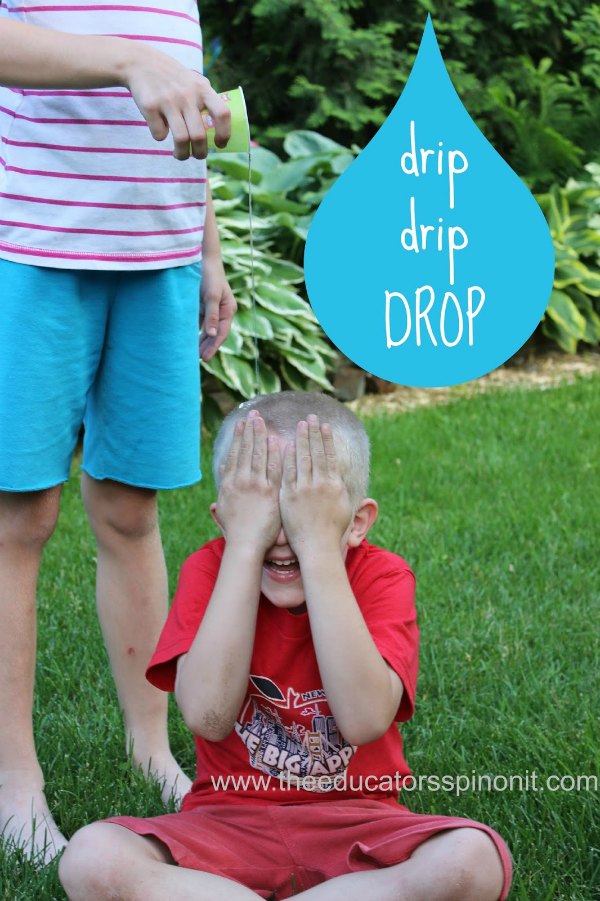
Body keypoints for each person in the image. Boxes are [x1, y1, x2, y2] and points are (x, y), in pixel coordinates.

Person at [58, 391, 512, 900]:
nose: (282, 535)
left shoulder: (383, 577)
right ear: (225, 518)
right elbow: (207, 716)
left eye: (303, 509)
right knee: (92, 856)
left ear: (357, 522)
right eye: (262, 511)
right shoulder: (209, 571)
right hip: (228, 821)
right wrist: (244, 548)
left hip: (359, 823)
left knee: (472, 859)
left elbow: (363, 720)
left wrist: (318, 548)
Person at [0, 3, 236, 863]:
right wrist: (129, 60)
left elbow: (185, 97)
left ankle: (150, 746)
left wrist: (206, 252)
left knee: (133, 512)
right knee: (17, 520)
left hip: (160, 258)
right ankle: (13, 783)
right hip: (32, 249)